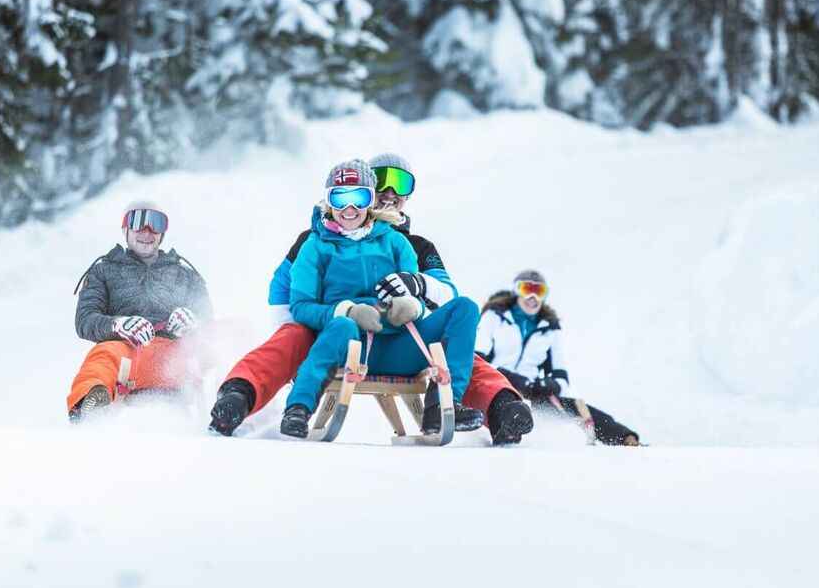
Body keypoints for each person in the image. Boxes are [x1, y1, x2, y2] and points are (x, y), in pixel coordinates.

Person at [210, 154, 533, 445]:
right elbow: (284, 287)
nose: (390, 191)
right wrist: (291, 332)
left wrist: (418, 286)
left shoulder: (414, 245)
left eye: (401, 183)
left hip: (403, 335)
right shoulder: (318, 239)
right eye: (382, 181)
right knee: (291, 337)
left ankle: (501, 407)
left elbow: (448, 293)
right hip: (333, 330)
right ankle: (238, 395)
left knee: (455, 350)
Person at [276, 159, 484, 438]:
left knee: (465, 309)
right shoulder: (314, 247)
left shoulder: (398, 243)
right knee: (342, 326)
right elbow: (301, 307)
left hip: (400, 348)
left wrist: (412, 307)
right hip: (348, 349)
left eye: (358, 197)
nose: (349, 208)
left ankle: (443, 405)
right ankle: (298, 409)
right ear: (328, 202)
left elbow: (417, 298)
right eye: (340, 198)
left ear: (371, 199)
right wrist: (346, 311)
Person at [67, 201, 213, 419]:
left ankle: (236, 398)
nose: (147, 231)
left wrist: (194, 323)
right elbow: (85, 320)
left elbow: (209, 321)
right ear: (126, 228)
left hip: (174, 357)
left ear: (163, 232)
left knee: (228, 337)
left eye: (155, 224)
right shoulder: (104, 271)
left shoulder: (183, 274)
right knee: (102, 356)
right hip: (127, 352)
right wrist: (118, 324)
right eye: (138, 222)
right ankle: (90, 405)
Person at [475, 270, 641, 446]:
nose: (533, 297)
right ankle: (502, 430)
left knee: (578, 407)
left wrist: (546, 385)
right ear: (516, 291)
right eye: (526, 289)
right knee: (509, 404)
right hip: (496, 385)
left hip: (532, 392)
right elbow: (477, 359)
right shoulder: (495, 317)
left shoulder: (549, 329)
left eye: (539, 292)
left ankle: (626, 439)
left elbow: (561, 375)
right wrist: (510, 377)